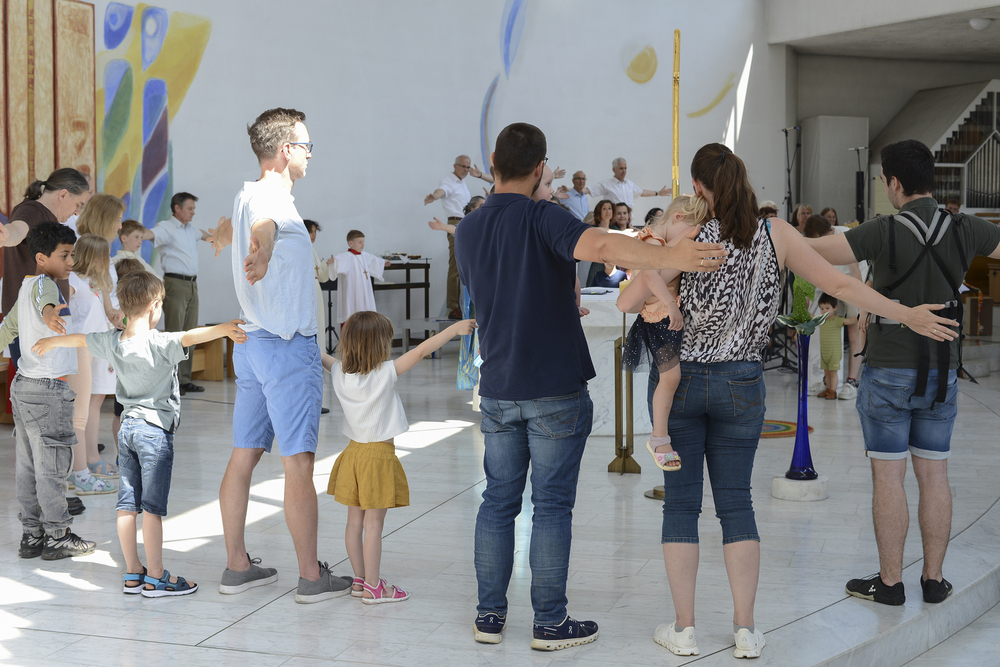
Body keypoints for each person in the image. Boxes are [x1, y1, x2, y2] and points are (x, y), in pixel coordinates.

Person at [617, 142, 958, 659]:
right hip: (741, 381)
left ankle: (684, 629)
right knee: (737, 503)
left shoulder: (687, 237)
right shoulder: (775, 233)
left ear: (700, 188)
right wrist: (904, 313)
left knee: (681, 507)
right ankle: (746, 630)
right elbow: (840, 283)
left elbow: (629, 300)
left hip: (681, 381)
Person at [455, 122, 729, 651]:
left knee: (497, 502)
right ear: (541, 167)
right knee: (551, 506)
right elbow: (602, 243)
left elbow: (499, 291)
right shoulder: (544, 215)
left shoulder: (468, 229)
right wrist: (671, 257)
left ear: (492, 164)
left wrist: (557, 301)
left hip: (499, 384)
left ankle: (489, 617)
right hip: (553, 384)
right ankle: (549, 622)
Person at [806, 139, 1000, 607]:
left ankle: (891, 584)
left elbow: (815, 252)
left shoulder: (881, 230)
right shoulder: (966, 227)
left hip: (889, 370)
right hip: (942, 373)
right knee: (934, 475)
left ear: (894, 183)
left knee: (889, 478)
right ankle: (934, 580)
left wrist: (768, 231)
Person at [211, 107, 353, 603]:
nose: (311, 154)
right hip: (286, 347)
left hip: (251, 344)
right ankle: (312, 577)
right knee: (298, 463)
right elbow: (265, 227)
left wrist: (235, 240)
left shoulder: (247, 192)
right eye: (306, 146)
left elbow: (251, 225)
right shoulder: (271, 196)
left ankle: (237, 566)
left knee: (245, 454)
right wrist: (264, 250)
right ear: (286, 149)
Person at [34, 270, 247, 597]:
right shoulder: (160, 343)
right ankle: (157, 576)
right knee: (152, 509)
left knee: (126, 506)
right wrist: (224, 329)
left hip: (128, 432)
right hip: (155, 434)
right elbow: (191, 336)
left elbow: (81, 340)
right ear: (154, 306)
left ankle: (133, 572)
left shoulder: (113, 341)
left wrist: (51, 341)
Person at [322, 312, 475, 603]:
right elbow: (421, 350)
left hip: (352, 454)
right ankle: (374, 587)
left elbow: (321, 357)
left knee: (354, 523)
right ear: (380, 344)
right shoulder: (385, 372)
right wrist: (454, 329)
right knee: (373, 526)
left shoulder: (340, 372)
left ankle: (359, 580)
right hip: (378, 457)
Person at [1, 222, 97, 560]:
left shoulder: (25, 286)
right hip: (48, 390)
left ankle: (32, 535)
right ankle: (58, 535)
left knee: (28, 467)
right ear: (41, 258)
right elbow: (46, 302)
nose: (71, 262)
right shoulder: (45, 286)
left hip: (24, 387)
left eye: (72, 255)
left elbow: (7, 329)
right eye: (64, 255)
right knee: (53, 468)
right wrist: (49, 314)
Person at [621, 195, 709, 471]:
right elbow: (649, 275)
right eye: (692, 230)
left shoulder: (661, 241)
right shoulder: (653, 241)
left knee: (670, 378)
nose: (693, 238)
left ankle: (660, 436)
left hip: (661, 316)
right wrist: (671, 305)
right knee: (670, 377)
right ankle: (659, 437)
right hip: (659, 317)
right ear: (678, 218)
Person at [66, 234, 120, 497]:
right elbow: (58, 309)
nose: (107, 260)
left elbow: (109, 312)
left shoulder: (99, 281)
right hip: (80, 348)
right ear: (92, 256)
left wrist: (118, 318)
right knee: (79, 410)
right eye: (103, 255)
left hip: (99, 346)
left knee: (94, 401)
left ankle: (90, 459)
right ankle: (78, 471)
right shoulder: (73, 281)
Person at [143, 192, 213, 394]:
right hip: (175, 283)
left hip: (192, 285)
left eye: (193, 209)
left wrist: (220, 236)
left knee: (190, 333)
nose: (193, 212)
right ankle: (171, 380)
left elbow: (206, 235)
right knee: (175, 333)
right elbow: (149, 234)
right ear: (177, 208)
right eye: (189, 208)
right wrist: (134, 233)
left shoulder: (191, 230)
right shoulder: (167, 227)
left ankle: (184, 379)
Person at [424, 155, 496, 319]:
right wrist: (434, 196)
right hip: (457, 222)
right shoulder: (449, 181)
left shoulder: (463, 184)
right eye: (463, 166)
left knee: (469, 266)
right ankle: (454, 307)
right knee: (456, 266)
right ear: (455, 166)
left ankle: (469, 305)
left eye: (468, 167)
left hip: (467, 222)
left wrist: (480, 176)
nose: (466, 170)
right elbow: (441, 191)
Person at [803, 214, 865, 398]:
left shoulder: (845, 236)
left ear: (823, 234)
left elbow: (855, 270)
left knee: (854, 334)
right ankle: (827, 381)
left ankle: (851, 382)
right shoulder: (814, 242)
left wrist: (862, 302)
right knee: (826, 331)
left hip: (852, 284)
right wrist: (805, 306)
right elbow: (809, 272)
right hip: (830, 286)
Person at [330, 230, 391, 327]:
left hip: (365, 291)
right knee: (353, 313)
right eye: (360, 242)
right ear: (351, 243)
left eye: (363, 242)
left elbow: (375, 260)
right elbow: (337, 261)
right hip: (352, 292)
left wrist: (383, 262)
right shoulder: (346, 257)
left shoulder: (365, 255)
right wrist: (333, 262)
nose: (363, 244)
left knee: (367, 314)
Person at [815, 293, 857, 399]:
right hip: (824, 353)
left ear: (835, 308)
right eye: (822, 308)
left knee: (833, 373)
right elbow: (812, 317)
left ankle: (833, 391)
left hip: (834, 353)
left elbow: (850, 320)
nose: (824, 311)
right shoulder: (821, 320)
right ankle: (828, 389)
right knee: (827, 372)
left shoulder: (838, 320)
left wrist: (863, 315)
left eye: (827, 308)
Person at [584, 157, 670, 208]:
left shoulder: (629, 184)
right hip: (613, 222)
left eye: (625, 168)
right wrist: (576, 191)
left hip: (628, 222)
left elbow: (641, 192)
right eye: (621, 168)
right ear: (614, 169)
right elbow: (588, 190)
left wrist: (658, 193)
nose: (624, 171)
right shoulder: (607, 184)